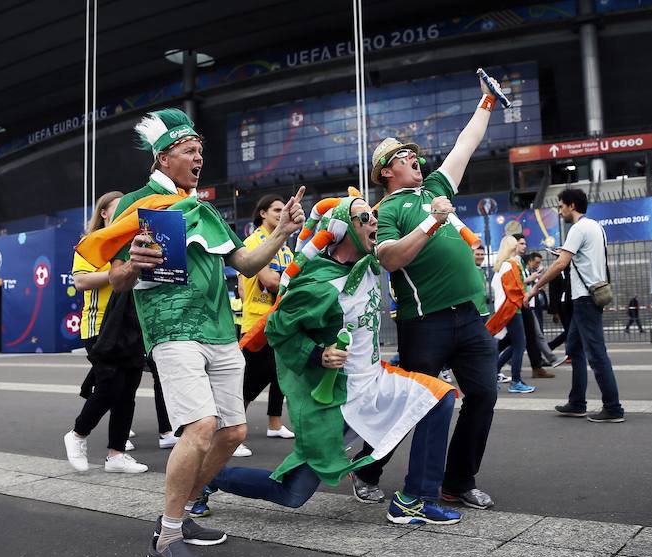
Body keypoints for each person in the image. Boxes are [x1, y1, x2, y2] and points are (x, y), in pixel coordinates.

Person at [79, 108, 304, 557]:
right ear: (164, 156)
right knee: (200, 426)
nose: (200, 157)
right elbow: (94, 278)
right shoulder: (135, 204)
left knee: (233, 433)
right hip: (171, 327)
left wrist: (283, 232)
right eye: (190, 150)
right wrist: (130, 267)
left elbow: (245, 262)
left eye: (201, 150)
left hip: (221, 330)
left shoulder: (203, 208)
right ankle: (166, 536)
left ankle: (185, 510)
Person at [199, 196, 461, 526]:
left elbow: (402, 242)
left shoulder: (369, 262)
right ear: (341, 229)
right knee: (291, 494)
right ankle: (209, 478)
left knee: (438, 399)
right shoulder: (319, 284)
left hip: (375, 382)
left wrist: (432, 217)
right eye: (364, 218)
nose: (374, 223)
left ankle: (414, 499)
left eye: (373, 216)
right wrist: (317, 354)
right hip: (340, 399)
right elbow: (280, 329)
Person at [353, 75, 503, 511]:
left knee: (484, 395)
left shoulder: (436, 188)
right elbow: (390, 259)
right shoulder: (385, 210)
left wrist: (487, 104)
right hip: (426, 323)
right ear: (386, 171)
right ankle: (367, 470)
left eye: (415, 156)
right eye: (404, 157)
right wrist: (433, 222)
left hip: (470, 318)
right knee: (411, 403)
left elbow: (466, 144)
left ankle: (457, 481)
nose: (415, 160)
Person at [63, 191, 148, 474]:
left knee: (128, 391)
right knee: (110, 386)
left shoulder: (135, 243)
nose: (126, 212)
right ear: (103, 213)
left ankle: (116, 455)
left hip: (133, 327)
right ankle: (77, 434)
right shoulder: (92, 244)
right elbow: (82, 281)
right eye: (118, 208)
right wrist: (120, 273)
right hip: (99, 327)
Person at [525, 189, 624, 423]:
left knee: (596, 353)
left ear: (571, 205)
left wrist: (536, 286)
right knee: (575, 348)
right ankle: (577, 402)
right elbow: (583, 257)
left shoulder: (578, 228)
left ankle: (613, 407)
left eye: (561, 206)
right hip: (593, 294)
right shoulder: (595, 227)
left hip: (584, 299)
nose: (560, 212)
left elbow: (560, 265)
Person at [237, 194, 296, 457]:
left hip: (280, 320)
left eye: (283, 210)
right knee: (249, 381)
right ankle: (231, 432)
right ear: (262, 213)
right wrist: (289, 279)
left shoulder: (284, 246)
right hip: (257, 323)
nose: (280, 213)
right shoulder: (253, 241)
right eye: (276, 209)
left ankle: (274, 423)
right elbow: (272, 281)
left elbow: (294, 277)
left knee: (279, 375)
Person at [491, 236, 536, 393]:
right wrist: (525, 296)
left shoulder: (503, 265)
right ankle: (515, 381)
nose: (520, 246)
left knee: (516, 344)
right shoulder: (511, 264)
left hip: (509, 309)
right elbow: (516, 289)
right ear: (512, 246)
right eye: (518, 243)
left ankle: (493, 374)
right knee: (519, 345)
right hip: (512, 309)